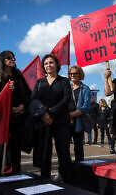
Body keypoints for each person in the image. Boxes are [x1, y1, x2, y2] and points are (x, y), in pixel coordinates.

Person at [31, 54, 72, 183]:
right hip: (44, 121)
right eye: (46, 63)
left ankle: (66, 179)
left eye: (51, 63)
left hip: (61, 121)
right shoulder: (39, 82)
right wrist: (44, 114)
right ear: (44, 66)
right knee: (44, 152)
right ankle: (45, 179)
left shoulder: (64, 81)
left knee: (63, 151)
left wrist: (51, 111)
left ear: (56, 65)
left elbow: (66, 99)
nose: (48, 65)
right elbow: (34, 100)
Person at [0, 50, 31, 176]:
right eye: (9, 57)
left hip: (17, 119)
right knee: (0, 149)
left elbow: (28, 94)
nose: (13, 59)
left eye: (14, 57)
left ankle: (16, 174)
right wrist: (9, 109)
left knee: (16, 148)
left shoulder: (18, 76)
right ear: (2, 60)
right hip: (2, 121)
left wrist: (23, 106)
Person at [68, 65, 91, 162]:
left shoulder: (85, 88)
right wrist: (69, 116)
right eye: (71, 73)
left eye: (75, 73)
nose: (73, 75)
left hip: (79, 121)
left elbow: (86, 106)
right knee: (64, 148)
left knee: (78, 147)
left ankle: (79, 170)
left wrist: (72, 115)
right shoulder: (67, 88)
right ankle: (66, 170)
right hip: (66, 121)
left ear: (80, 74)